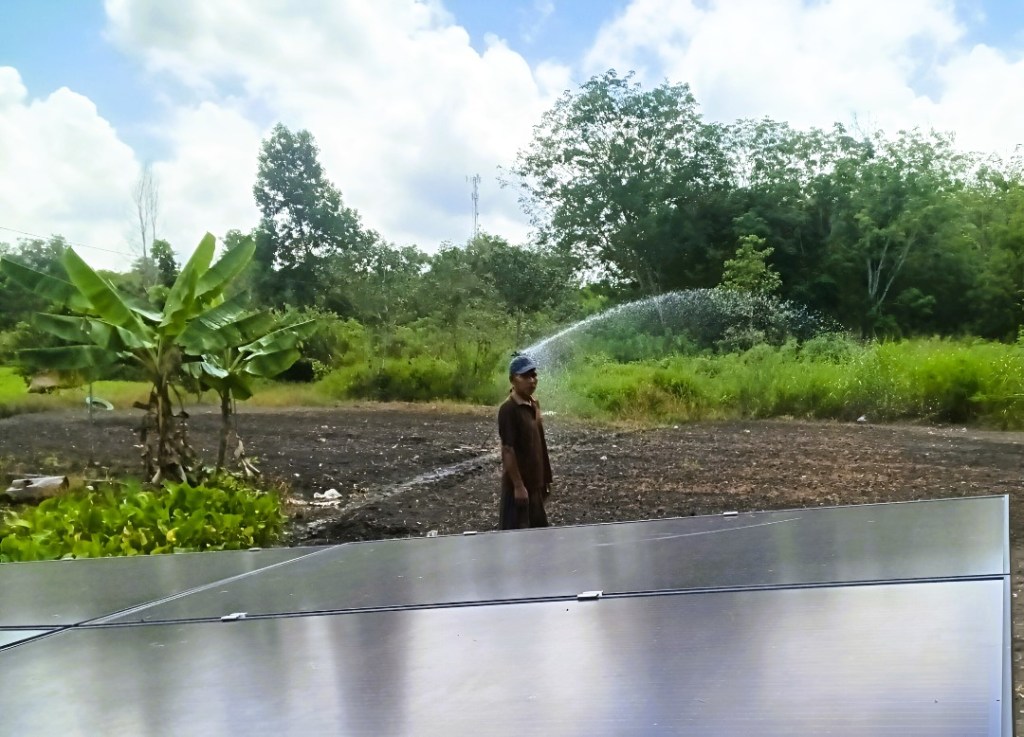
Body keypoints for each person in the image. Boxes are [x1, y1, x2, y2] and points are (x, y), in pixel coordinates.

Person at [497, 353, 553, 529]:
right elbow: (508, 450)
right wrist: (518, 486)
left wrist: (545, 479)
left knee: (540, 541)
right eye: (526, 376)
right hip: (518, 490)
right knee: (514, 541)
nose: (532, 381)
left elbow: (539, 445)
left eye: (534, 375)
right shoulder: (508, 409)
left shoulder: (533, 404)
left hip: (535, 485)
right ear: (513, 379)